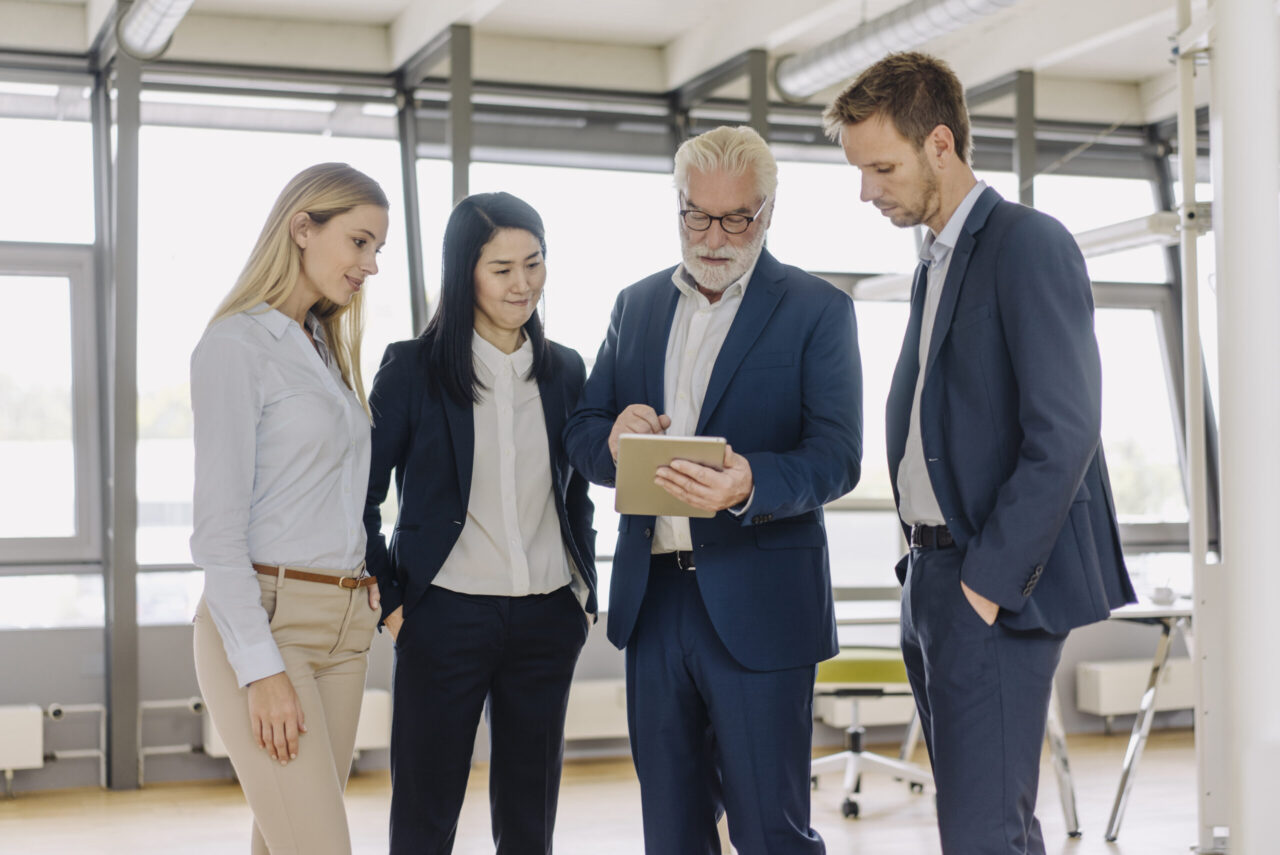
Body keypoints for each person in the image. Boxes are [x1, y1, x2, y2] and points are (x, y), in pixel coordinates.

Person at [824, 52, 1137, 855]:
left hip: (985, 584)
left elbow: (1064, 432)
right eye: (860, 171)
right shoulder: (936, 259)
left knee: (981, 832)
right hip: (930, 577)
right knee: (984, 825)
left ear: (940, 143)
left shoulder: (1027, 244)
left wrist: (984, 588)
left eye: (882, 167)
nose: (867, 190)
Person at [563, 125, 862, 855]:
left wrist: (749, 481)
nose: (715, 235)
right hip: (655, 600)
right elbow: (581, 432)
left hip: (760, 603)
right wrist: (610, 437)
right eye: (697, 214)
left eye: (737, 218)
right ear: (677, 206)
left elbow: (838, 454)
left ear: (767, 213)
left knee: (770, 831)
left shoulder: (817, 311)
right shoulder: (634, 306)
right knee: (671, 831)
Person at [363, 191, 596, 855]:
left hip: (546, 618)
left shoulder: (566, 370)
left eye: (534, 263)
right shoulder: (412, 368)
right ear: (464, 270)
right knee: (424, 817)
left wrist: (582, 596)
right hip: (444, 619)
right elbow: (361, 496)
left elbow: (575, 492)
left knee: (530, 822)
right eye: (502, 268)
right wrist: (398, 606)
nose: (523, 283)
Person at [190, 162, 389, 855]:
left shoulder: (323, 350)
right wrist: (260, 668)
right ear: (303, 227)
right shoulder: (236, 345)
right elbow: (216, 533)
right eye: (358, 242)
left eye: (377, 250)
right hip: (270, 628)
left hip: (343, 632)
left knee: (285, 843)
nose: (368, 265)